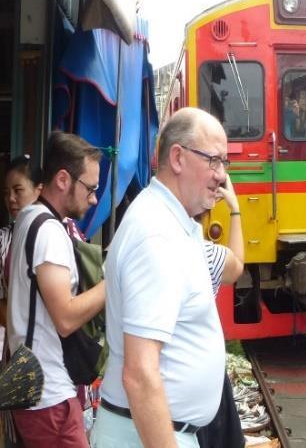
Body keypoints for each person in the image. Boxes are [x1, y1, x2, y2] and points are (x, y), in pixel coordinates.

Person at [92, 108, 233, 448]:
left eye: (225, 163)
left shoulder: (171, 223)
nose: (222, 176)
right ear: (178, 158)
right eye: (214, 161)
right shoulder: (157, 236)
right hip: (147, 435)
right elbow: (140, 375)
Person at [6, 132, 105, 448]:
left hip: (34, 389)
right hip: (49, 398)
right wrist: (113, 283)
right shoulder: (49, 232)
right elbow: (65, 317)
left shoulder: (27, 218)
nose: (93, 199)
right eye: (89, 189)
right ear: (63, 179)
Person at [196, 183, 245, 448]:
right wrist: (235, 210)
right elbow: (237, 265)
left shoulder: (152, 248)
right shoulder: (207, 254)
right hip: (205, 377)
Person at [0, 155, 43, 327]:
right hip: (14, 344)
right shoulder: (2, 239)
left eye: (18, 191)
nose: (10, 198)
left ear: (39, 190)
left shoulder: (64, 230)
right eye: (6, 193)